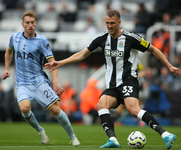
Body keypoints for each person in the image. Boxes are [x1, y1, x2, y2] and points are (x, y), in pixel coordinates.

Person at [45, 10, 178, 149]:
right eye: (107, 23)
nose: (109, 26)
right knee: (101, 105)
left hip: (128, 80)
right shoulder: (102, 39)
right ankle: (113, 140)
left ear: (119, 22)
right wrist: (60, 63)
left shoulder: (131, 38)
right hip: (113, 85)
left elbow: (153, 49)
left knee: (133, 109)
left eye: (112, 23)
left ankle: (166, 135)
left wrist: (169, 65)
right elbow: (82, 54)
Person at [2, 11, 80, 146]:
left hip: (39, 81)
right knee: (25, 108)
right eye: (27, 23)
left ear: (36, 24)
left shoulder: (42, 41)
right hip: (22, 83)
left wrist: (55, 82)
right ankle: (40, 130)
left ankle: (72, 137)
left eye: (32, 22)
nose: (30, 25)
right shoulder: (14, 38)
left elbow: (53, 62)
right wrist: (7, 69)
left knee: (55, 110)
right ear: (22, 24)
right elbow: (9, 51)